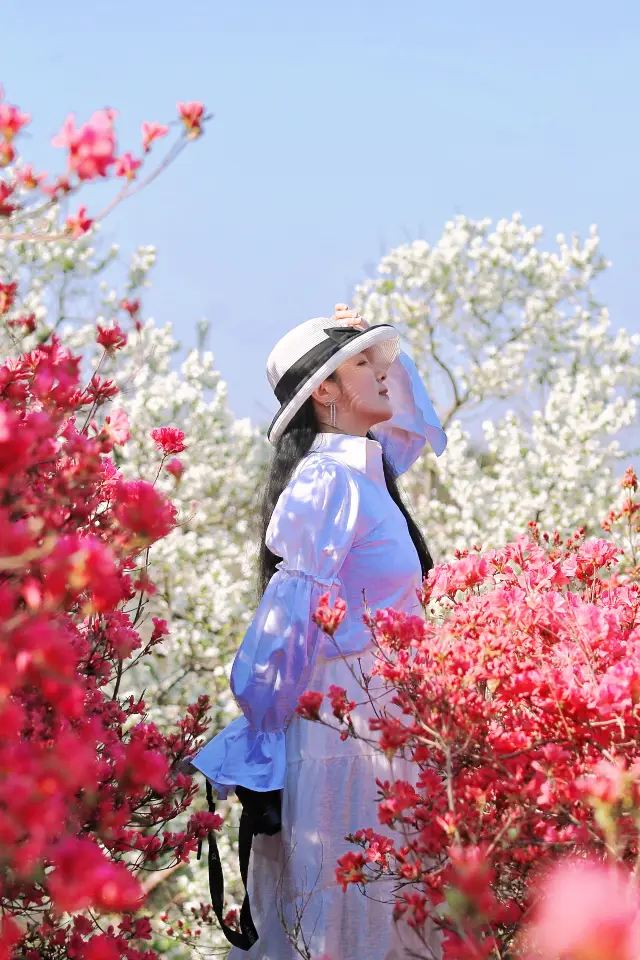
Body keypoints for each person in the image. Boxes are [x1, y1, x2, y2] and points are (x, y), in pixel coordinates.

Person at [192, 304, 447, 959]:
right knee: (351, 918)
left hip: (388, 724)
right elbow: (284, 626)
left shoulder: (367, 475)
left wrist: (367, 339)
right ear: (325, 391)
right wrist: (261, 727)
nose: (384, 372)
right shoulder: (329, 481)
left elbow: (412, 415)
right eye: (364, 364)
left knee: (398, 914)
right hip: (349, 734)